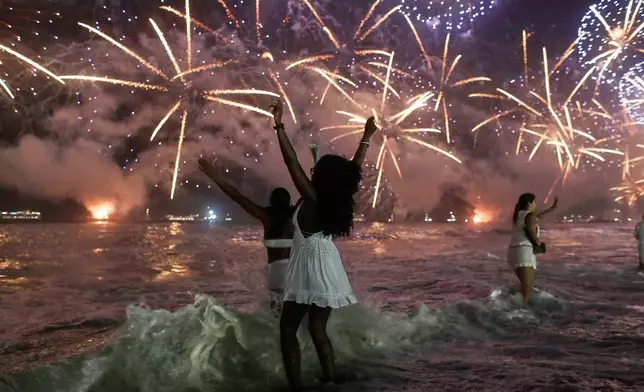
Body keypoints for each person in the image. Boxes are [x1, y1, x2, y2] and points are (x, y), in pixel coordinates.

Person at [270, 99, 376, 391]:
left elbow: (290, 162)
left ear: (322, 177)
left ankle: (296, 387)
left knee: (288, 329)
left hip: (309, 266)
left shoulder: (314, 197)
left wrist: (279, 125)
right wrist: (366, 136)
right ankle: (331, 378)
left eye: (317, 171)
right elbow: (354, 168)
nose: (312, 172)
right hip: (329, 264)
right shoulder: (338, 198)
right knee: (318, 329)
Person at [197, 157, 296, 306]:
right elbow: (313, 196)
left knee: (277, 319)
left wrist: (214, 176)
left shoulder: (266, 216)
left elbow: (237, 196)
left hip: (275, 276)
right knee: (296, 319)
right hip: (297, 275)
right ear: (289, 201)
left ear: (271, 201)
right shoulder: (296, 216)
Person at [507, 193, 558, 307]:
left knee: (525, 285)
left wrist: (551, 209)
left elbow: (535, 218)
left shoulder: (519, 215)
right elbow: (531, 228)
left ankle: (515, 304)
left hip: (513, 252)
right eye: (534, 202)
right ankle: (521, 312)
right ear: (529, 203)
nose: (535, 204)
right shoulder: (529, 216)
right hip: (524, 252)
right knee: (527, 288)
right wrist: (537, 241)